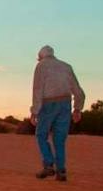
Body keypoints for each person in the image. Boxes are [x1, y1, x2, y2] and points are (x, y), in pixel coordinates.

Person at [29, 44, 84, 181]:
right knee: (59, 138)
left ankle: (48, 165)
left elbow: (37, 90)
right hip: (65, 104)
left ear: (41, 56)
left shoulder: (41, 66)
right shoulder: (66, 66)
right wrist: (77, 109)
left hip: (48, 104)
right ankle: (61, 171)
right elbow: (77, 90)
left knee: (41, 134)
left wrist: (34, 111)